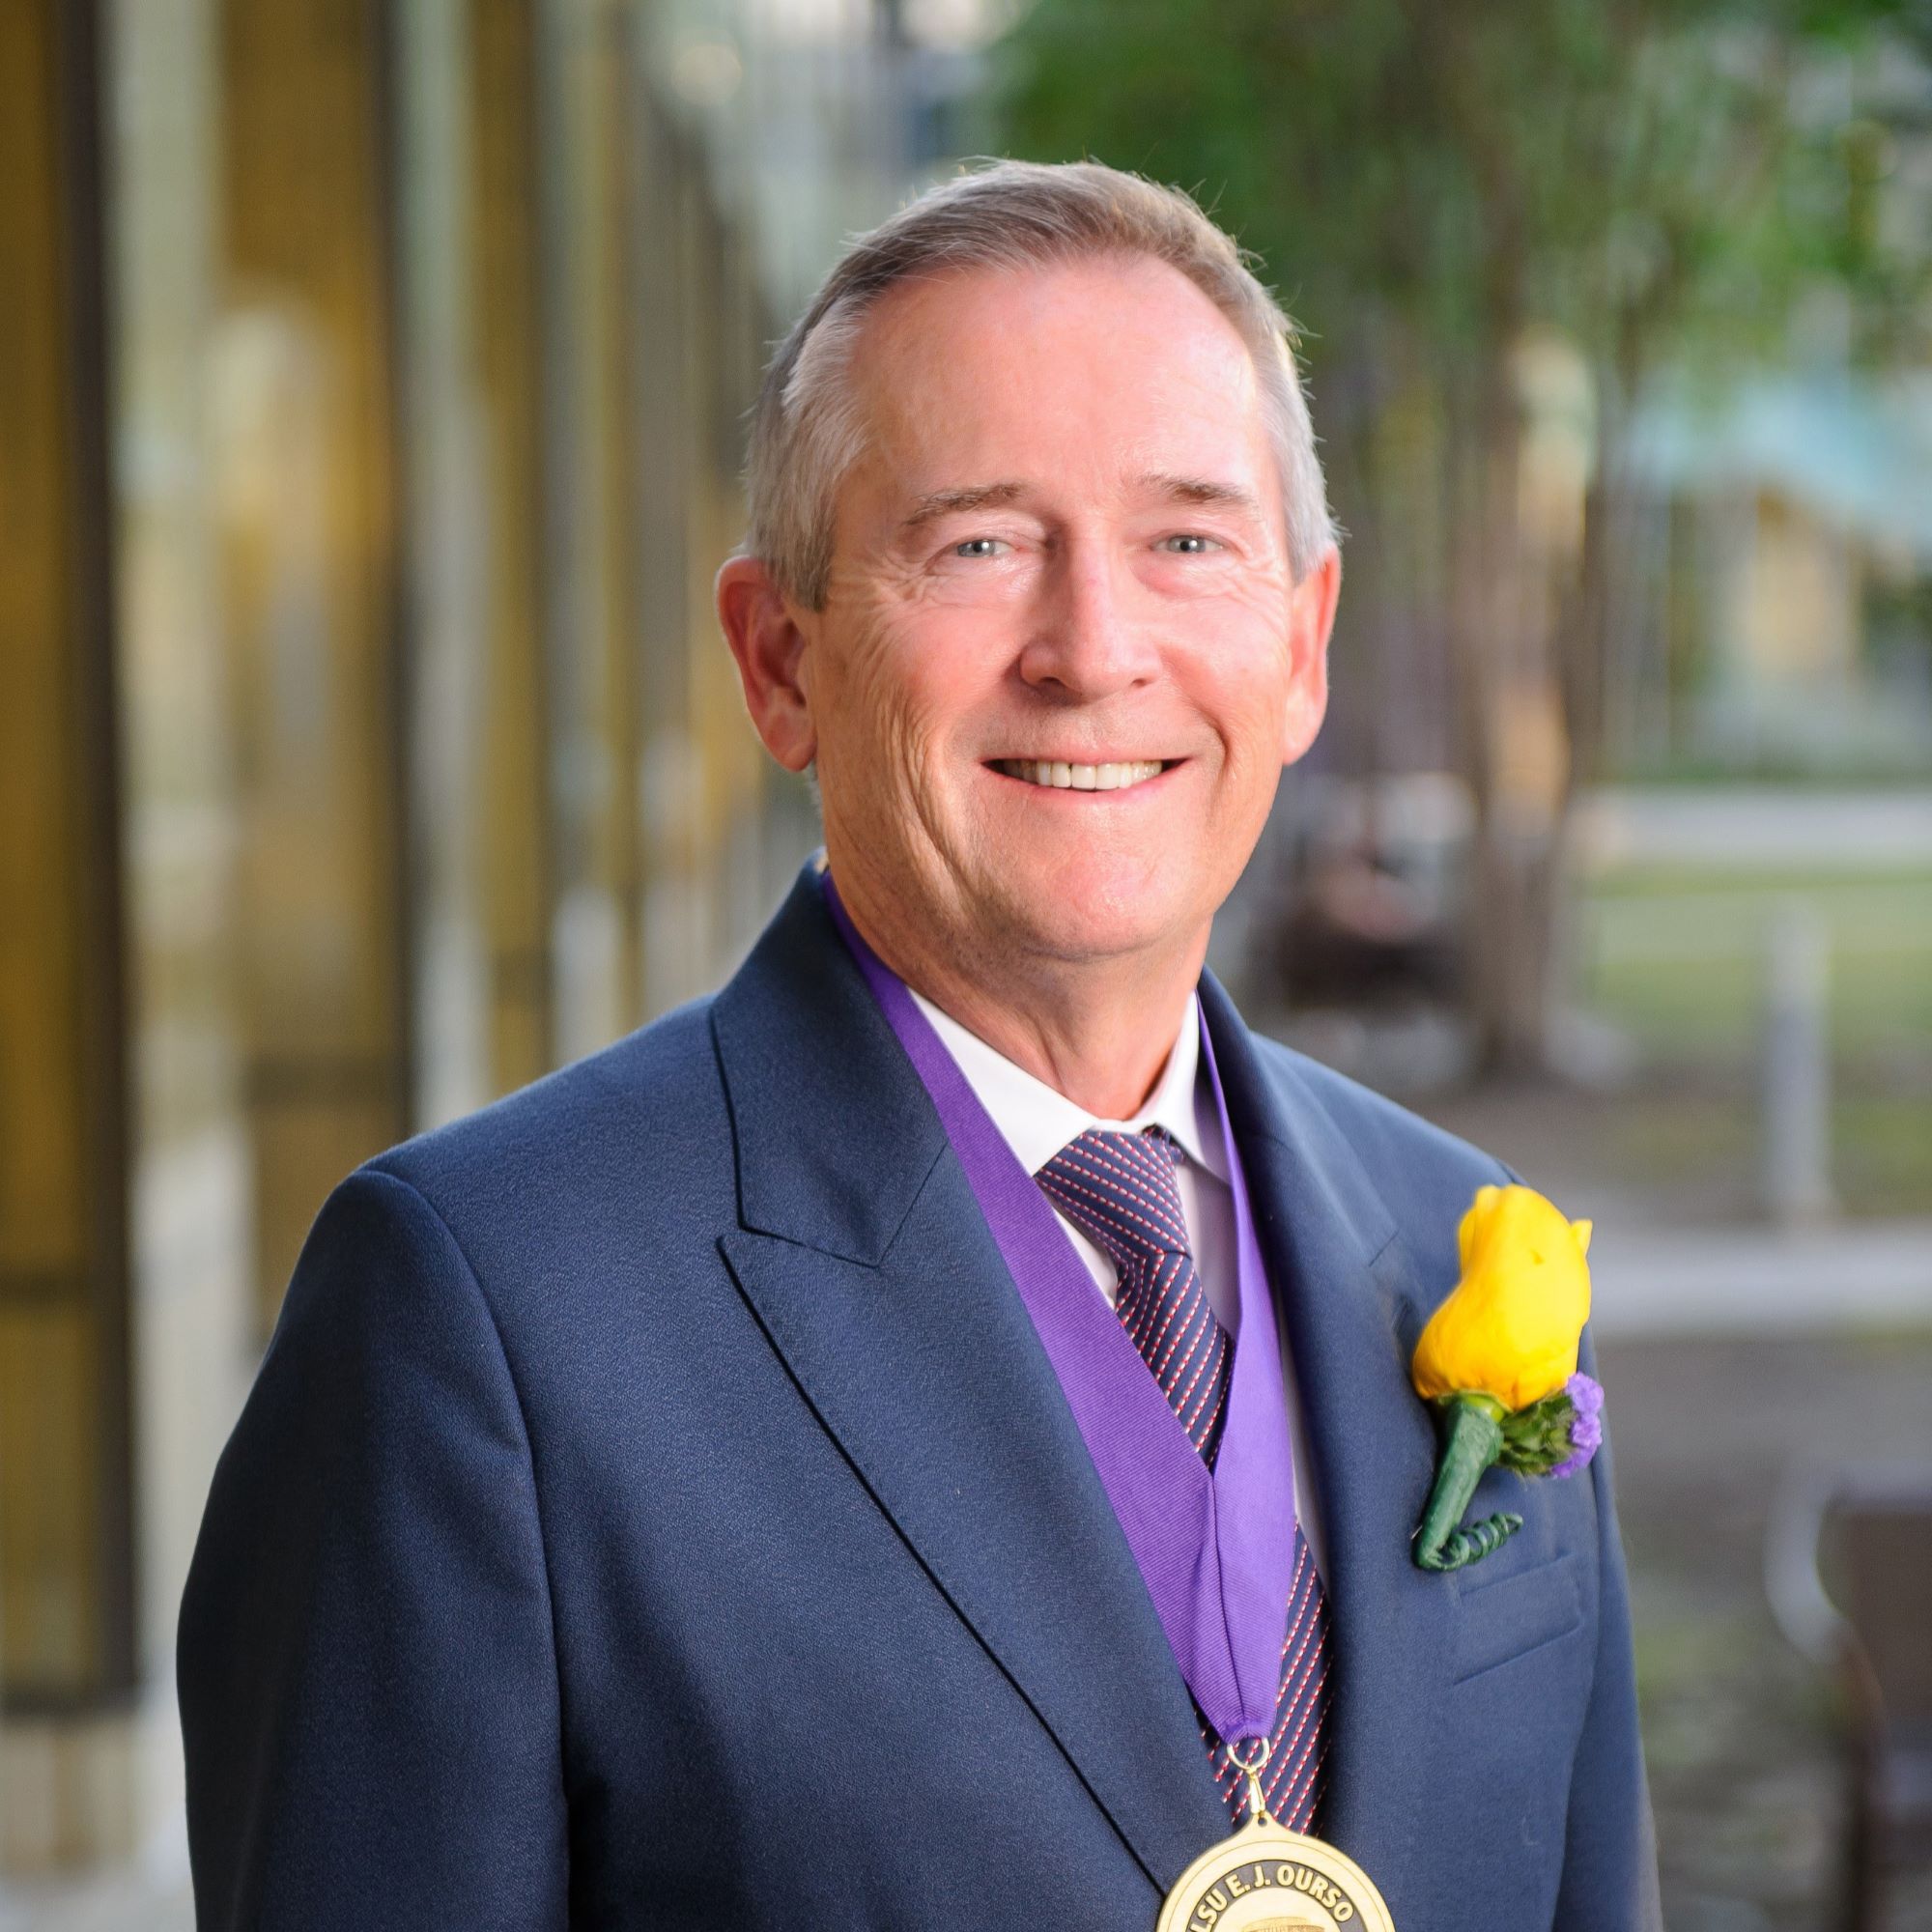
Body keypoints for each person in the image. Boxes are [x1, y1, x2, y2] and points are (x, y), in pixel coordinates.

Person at [178, 159, 1660, 1931]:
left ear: (1303, 645)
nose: (1095, 649)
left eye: (1187, 539)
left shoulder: (1462, 1243)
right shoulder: (481, 1326)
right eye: (978, 544)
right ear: (779, 660)